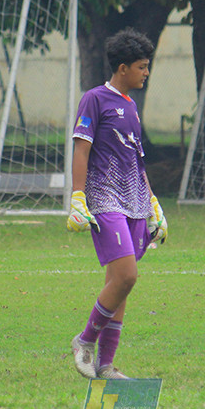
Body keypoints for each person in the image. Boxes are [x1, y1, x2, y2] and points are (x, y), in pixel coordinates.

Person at [66, 28, 168, 380]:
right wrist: (78, 196)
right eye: (142, 66)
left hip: (134, 200)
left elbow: (136, 160)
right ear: (123, 68)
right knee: (127, 275)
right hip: (105, 197)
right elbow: (82, 148)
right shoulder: (94, 99)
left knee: (119, 281)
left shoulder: (130, 107)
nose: (146, 72)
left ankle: (106, 366)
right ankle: (85, 340)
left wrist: (153, 203)